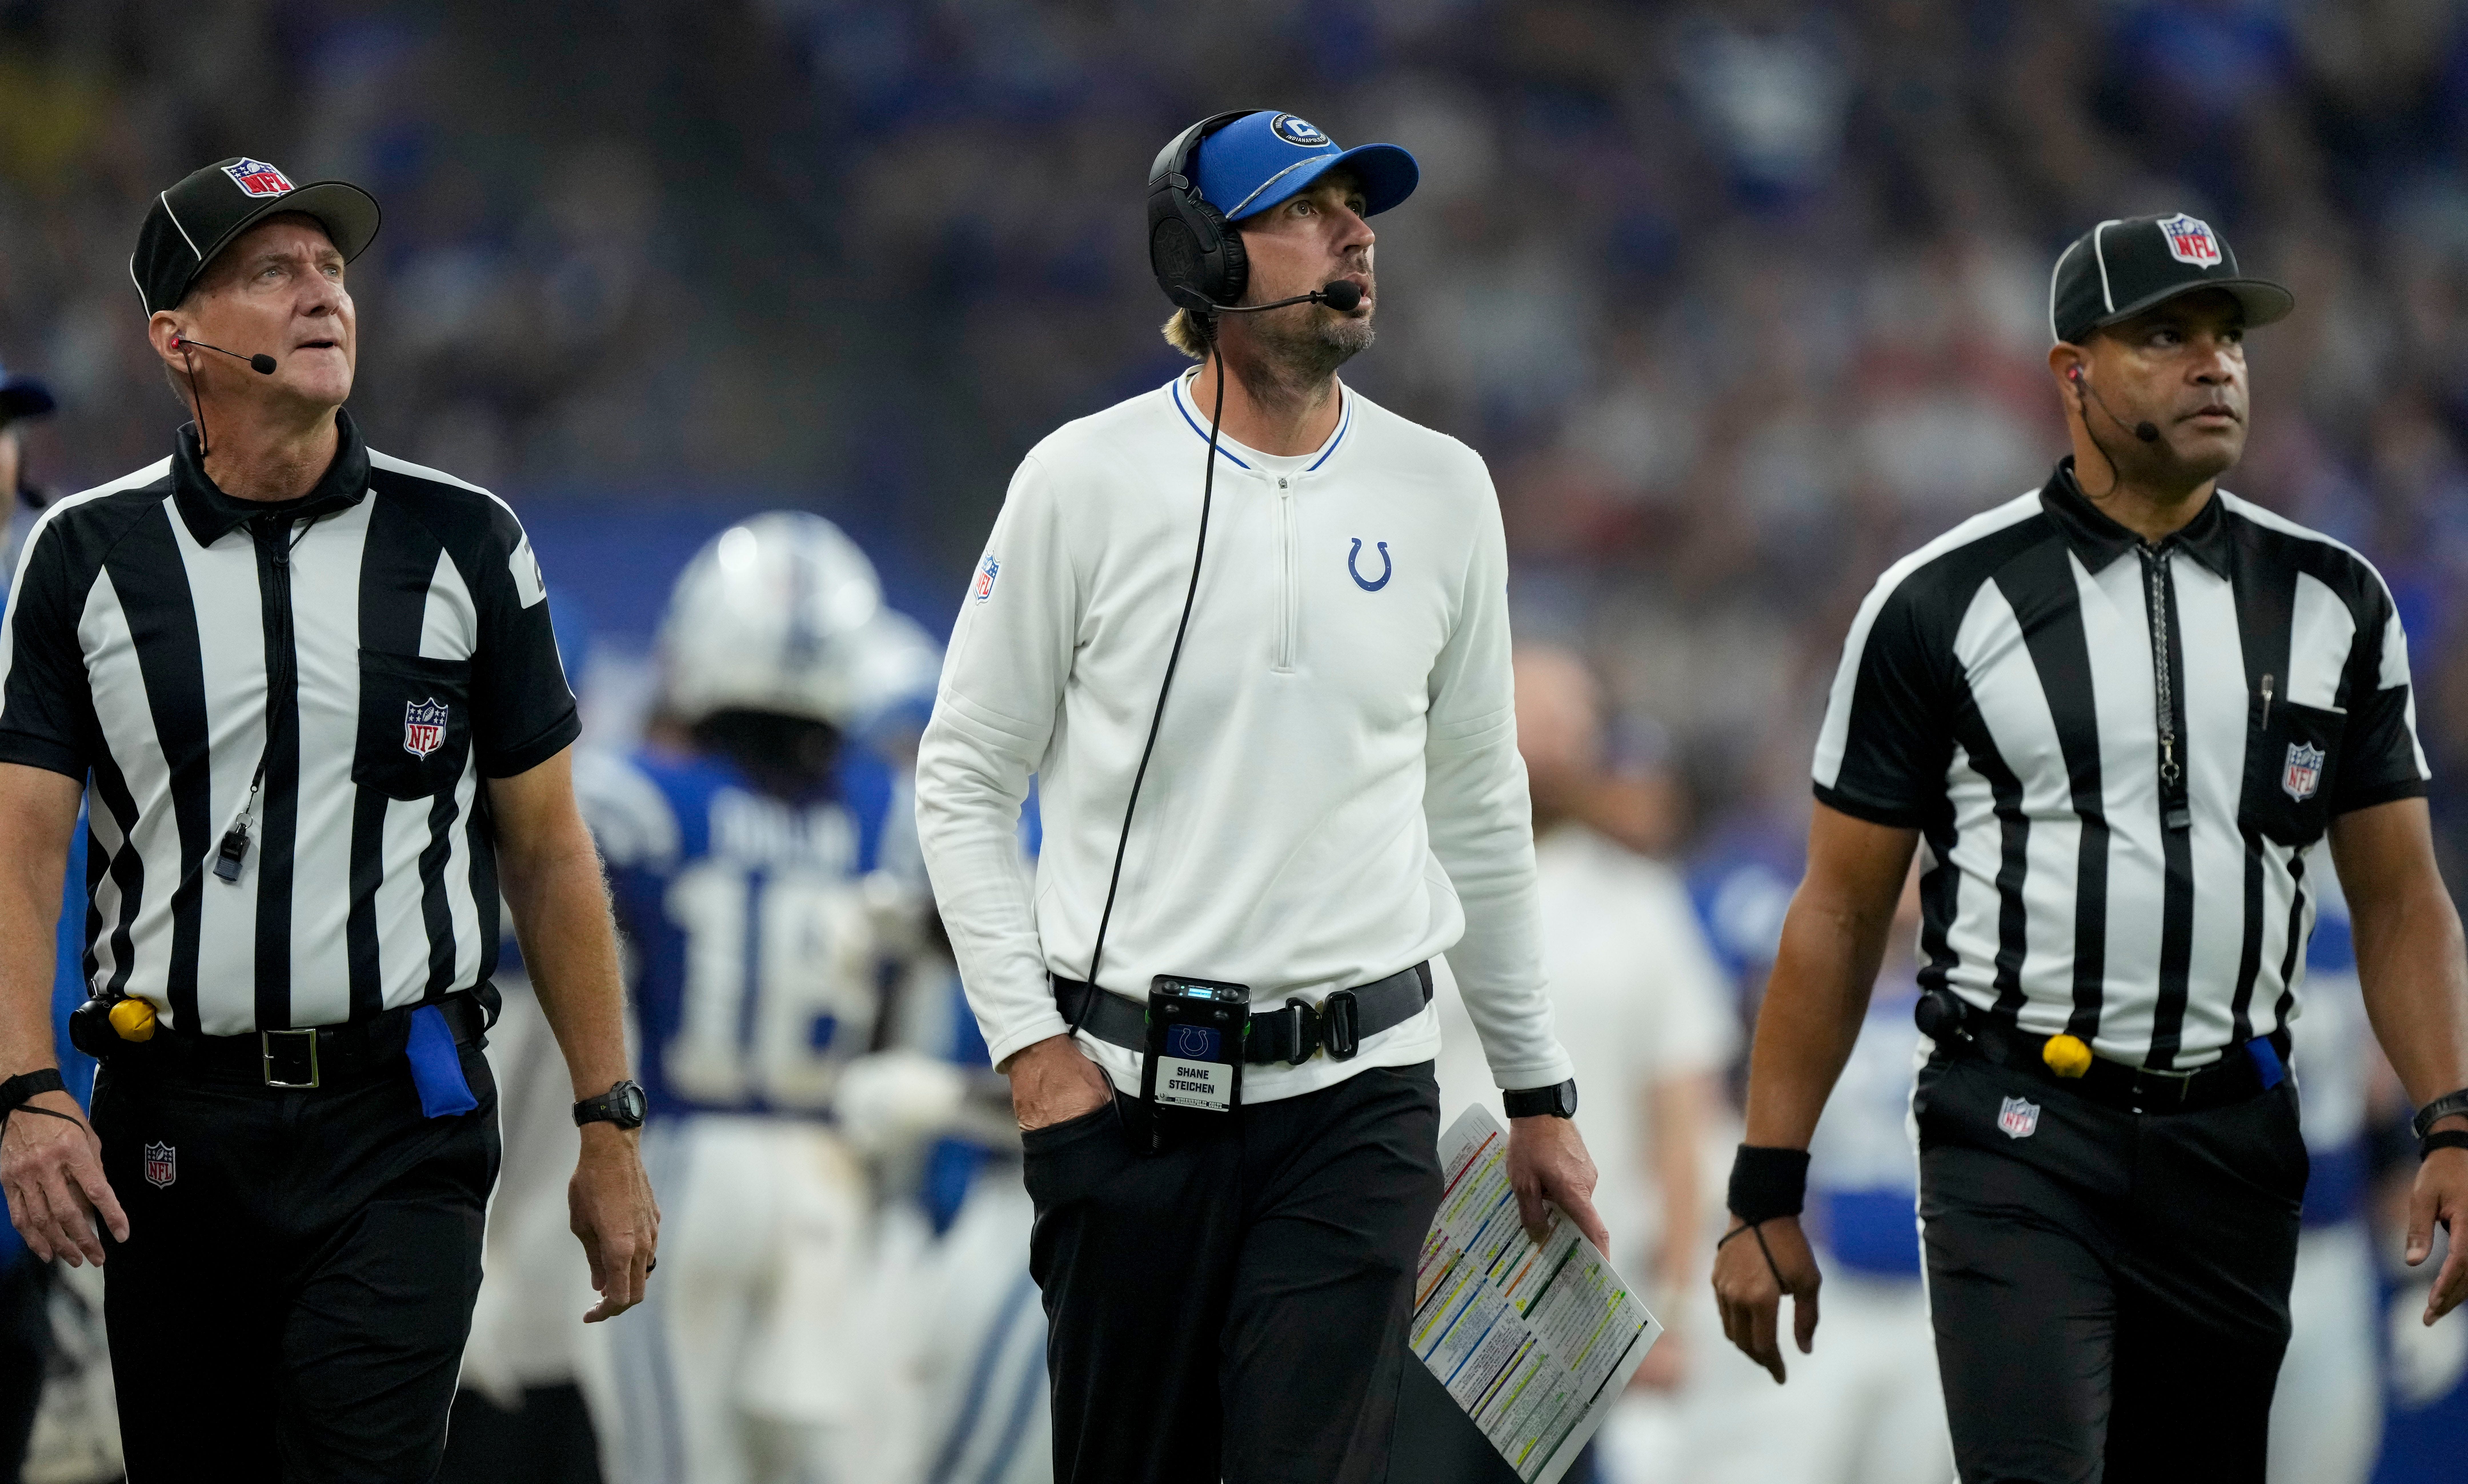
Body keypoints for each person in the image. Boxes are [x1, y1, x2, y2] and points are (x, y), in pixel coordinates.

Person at [1710, 212, 2468, 1481]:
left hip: (2234, 1137)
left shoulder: (2337, 600)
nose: (2214, 364)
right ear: (2072, 375)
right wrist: (1764, 1186)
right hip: (2015, 1127)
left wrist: (2453, 1124)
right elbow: (1840, 913)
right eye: (2166, 335)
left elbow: (2401, 902)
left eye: (2228, 338)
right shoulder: (1939, 602)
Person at [914, 108, 1597, 1484]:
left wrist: (1538, 1089)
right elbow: (964, 778)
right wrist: (1033, 1060)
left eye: (1362, 208)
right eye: (1306, 208)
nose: (1356, 235)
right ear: (1201, 260)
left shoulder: (1447, 490)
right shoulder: (1079, 480)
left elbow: (1479, 800)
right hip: (1120, 1104)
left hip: (1361, 1109)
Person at [0, 156, 657, 1480]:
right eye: (272, 273)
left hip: (397, 1122)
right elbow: (20, 861)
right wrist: (28, 1097)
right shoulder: (81, 555)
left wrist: (607, 1123)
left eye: (332, 271)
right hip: (171, 1118)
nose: (323, 299)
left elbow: (548, 851)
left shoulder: (467, 540)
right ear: (175, 339)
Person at [575, 512, 930, 1484]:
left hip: (684, 1167)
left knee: (673, 1465)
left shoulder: (638, 798)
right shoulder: (888, 817)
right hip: (831, 1183)